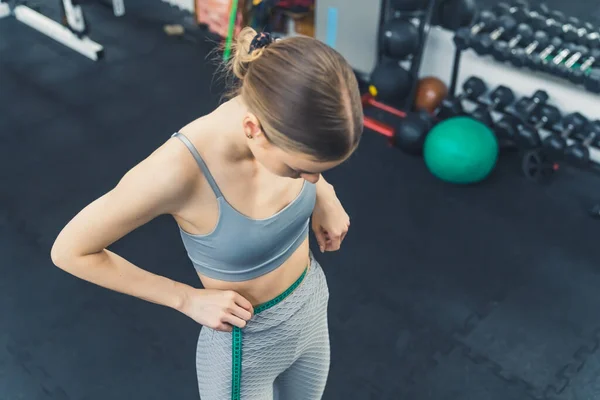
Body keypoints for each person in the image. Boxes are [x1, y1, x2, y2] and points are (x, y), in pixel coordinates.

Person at [51, 27, 363, 400]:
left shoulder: (289, 108)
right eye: (299, 170)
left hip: (311, 309)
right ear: (254, 130)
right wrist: (186, 298)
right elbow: (69, 250)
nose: (310, 178)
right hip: (245, 348)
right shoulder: (177, 171)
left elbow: (309, 158)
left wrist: (324, 193)